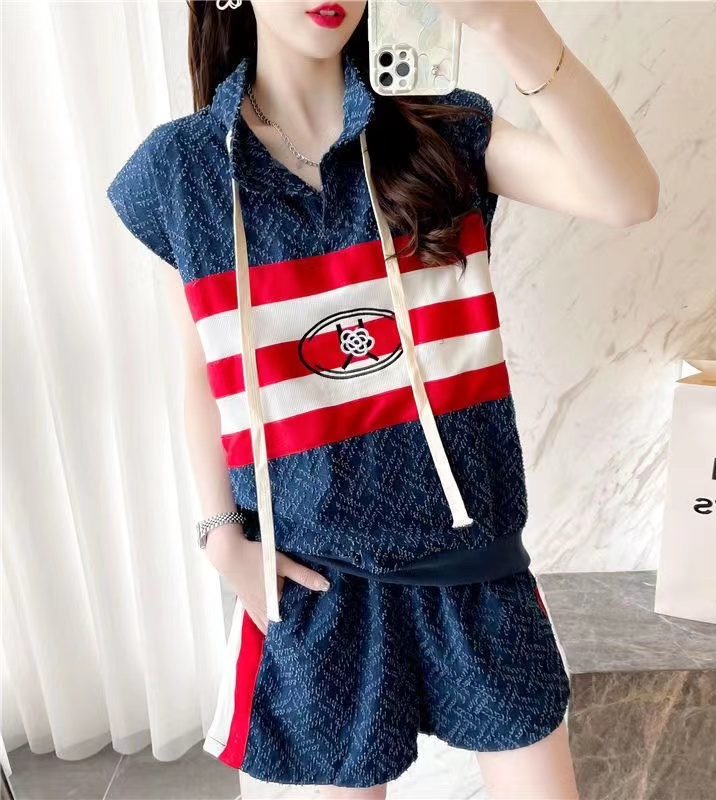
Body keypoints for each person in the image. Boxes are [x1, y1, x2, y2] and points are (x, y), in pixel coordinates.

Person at [106, 1, 658, 797]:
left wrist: (512, 23)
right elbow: (202, 366)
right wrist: (220, 536)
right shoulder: (182, 169)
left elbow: (627, 197)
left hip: (474, 560)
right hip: (315, 576)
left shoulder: (443, 132)